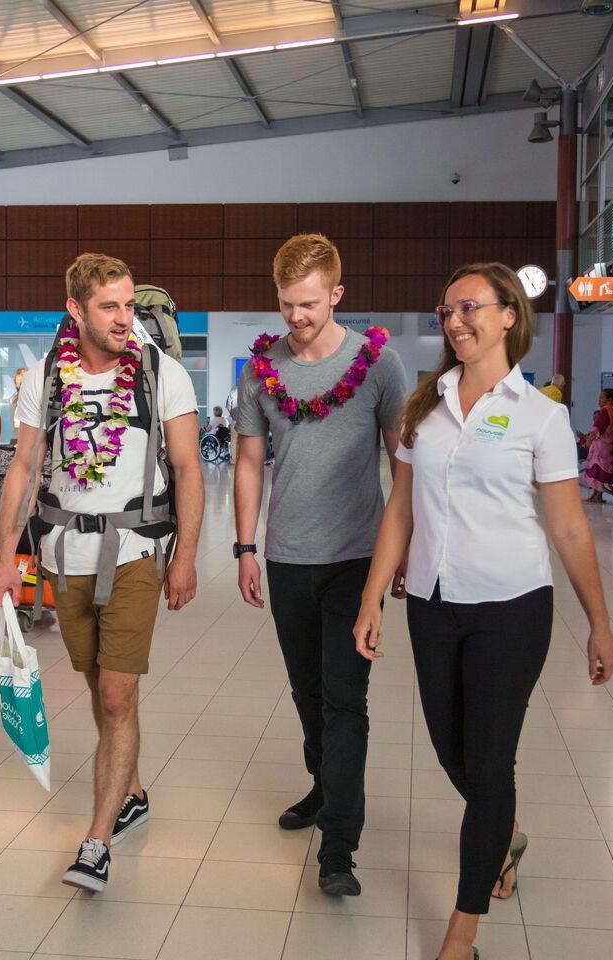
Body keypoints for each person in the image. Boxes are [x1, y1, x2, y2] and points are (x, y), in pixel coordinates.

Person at [352, 263, 613, 960]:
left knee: (490, 763)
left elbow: (567, 529)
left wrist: (600, 621)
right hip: (435, 606)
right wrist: (372, 596)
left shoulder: (542, 416)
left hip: (513, 608)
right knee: (452, 751)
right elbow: (401, 511)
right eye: (446, 311)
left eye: (469, 307)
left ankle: (461, 933)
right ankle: (505, 828)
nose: (455, 321)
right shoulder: (423, 406)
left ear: (509, 315)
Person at [0, 253, 203, 892]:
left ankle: (97, 840)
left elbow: (190, 468)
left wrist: (186, 555)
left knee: (115, 695)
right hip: (63, 556)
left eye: (129, 304)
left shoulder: (163, 375)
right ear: (75, 311)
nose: (123, 317)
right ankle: (131, 789)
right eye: (108, 306)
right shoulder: (47, 378)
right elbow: (23, 467)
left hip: (134, 553)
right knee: (99, 689)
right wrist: (6, 557)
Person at [233, 233, 409, 897]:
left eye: (308, 303)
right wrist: (245, 547)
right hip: (286, 559)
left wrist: (404, 546)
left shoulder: (379, 364)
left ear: (337, 293)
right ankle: (323, 785)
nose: (296, 316)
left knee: (346, 700)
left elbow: (402, 460)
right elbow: (249, 462)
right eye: (285, 304)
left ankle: (339, 847)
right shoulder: (260, 370)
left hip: (357, 559)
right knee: (309, 695)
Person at [582, 388, 613, 502]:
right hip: (609, 445)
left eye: (602, 397)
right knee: (600, 470)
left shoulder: (605, 411)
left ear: (610, 399)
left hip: (601, 446)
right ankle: (596, 494)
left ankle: (598, 495)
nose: (599, 400)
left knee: (599, 470)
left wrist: (588, 441)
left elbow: (598, 428)